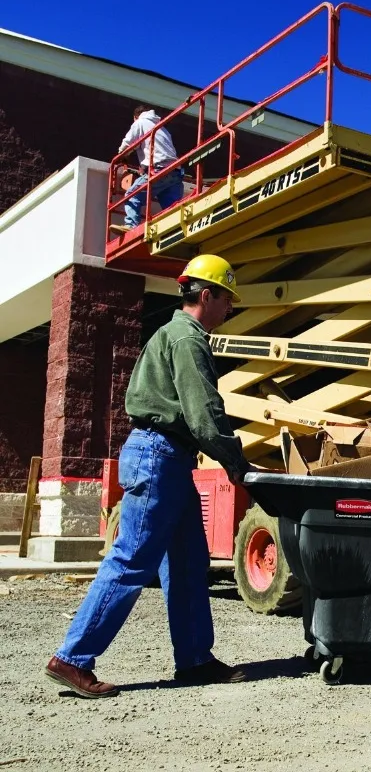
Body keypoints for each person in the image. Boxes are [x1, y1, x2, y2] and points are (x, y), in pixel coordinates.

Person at [46, 255, 254, 699]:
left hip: (166, 458)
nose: (229, 309)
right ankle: (73, 658)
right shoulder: (188, 339)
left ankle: (196, 659)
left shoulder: (168, 334)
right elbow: (203, 413)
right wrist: (236, 461)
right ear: (206, 294)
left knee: (188, 565)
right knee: (131, 560)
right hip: (161, 457)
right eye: (227, 299)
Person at [115, 105, 184, 230]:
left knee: (132, 195)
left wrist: (121, 155)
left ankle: (131, 225)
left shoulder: (140, 122)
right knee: (171, 208)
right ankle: (175, 229)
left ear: (135, 117)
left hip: (158, 169)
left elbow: (128, 142)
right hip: (175, 171)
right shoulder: (161, 127)